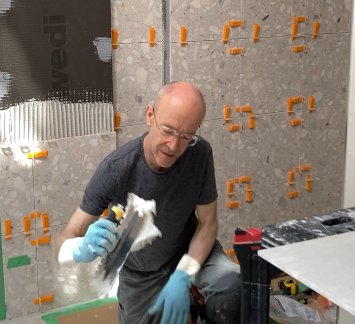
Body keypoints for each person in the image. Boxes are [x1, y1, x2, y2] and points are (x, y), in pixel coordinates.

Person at [54, 82, 241, 324]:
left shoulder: (200, 153)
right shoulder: (116, 169)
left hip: (191, 251)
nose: (174, 146)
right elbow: (64, 240)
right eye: (167, 130)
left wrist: (184, 275)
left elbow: (208, 224)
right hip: (142, 272)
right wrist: (79, 249)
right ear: (150, 115)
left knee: (234, 293)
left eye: (186, 136)